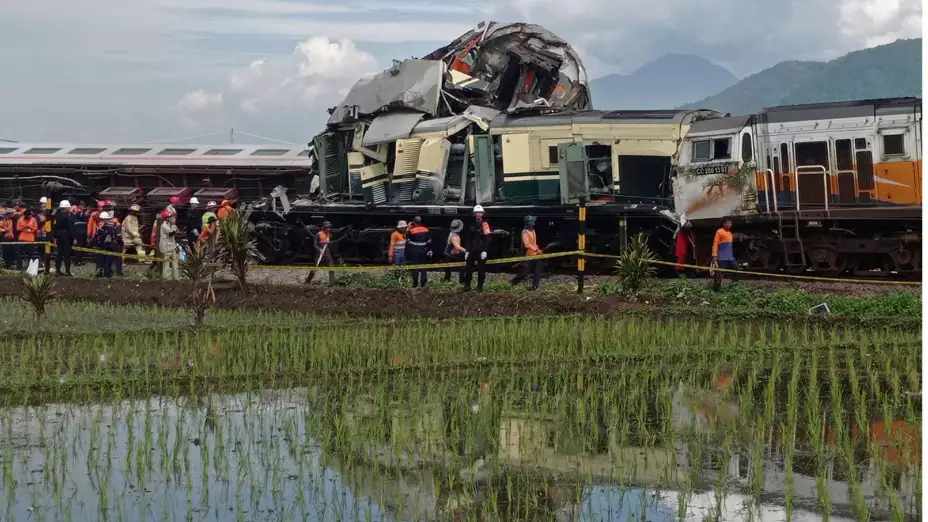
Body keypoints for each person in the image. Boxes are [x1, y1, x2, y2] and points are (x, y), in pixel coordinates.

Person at [461, 205, 491, 292]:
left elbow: (487, 238)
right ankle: (467, 286)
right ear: (474, 214)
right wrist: (467, 250)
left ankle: (479, 287)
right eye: (477, 213)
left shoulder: (485, 224)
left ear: (482, 214)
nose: (478, 214)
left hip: (481, 250)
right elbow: (469, 238)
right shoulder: (472, 225)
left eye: (480, 213)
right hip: (472, 249)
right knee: (468, 268)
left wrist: (485, 250)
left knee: (481, 269)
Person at [510, 215, 543, 290]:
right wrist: (536, 250)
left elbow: (534, 243)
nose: (534, 223)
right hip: (529, 255)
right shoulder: (525, 232)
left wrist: (538, 249)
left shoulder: (533, 231)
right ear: (529, 223)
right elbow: (527, 244)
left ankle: (535, 287)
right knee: (524, 272)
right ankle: (512, 283)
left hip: (535, 255)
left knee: (538, 270)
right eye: (533, 221)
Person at [712, 216, 740, 291]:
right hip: (722, 258)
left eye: (731, 223)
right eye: (728, 223)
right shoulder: (719, 231)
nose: (730, 224)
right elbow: (715, 243)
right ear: (724, 224)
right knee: (719, 275)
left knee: (737, 270)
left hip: (730, 257)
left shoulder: (729, 232)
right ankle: (716, 290)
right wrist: (714, 255)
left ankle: (734, 286)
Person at [93, 211, 123, 278]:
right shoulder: (115, 224)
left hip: (101, 246)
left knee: (100, 261)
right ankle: (110, 274)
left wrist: (95, 244)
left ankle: (98, 274)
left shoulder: (100, 225)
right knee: (110, 261)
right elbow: (118, 236)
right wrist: (121, 244)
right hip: (111, 246)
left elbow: (96, 235)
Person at [406, 216, 432, 288]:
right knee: (423, 267)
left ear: (414, 222)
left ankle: (415, 283)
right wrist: (430, 250)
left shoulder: (411, 231)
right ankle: (423, 283)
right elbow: (429, 241)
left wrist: (408, 228)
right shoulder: (426, 230)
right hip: (424, 250)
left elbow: (406, 238)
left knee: (415, 267)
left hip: (415, 251)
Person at [52, 200, 76, 276]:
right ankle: (67, 271)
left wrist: (55, 236)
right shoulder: (69, 215)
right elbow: (71, 227)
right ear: (67, 207)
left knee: (59, 254)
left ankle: (57, 271)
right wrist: (74, 238)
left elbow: (54, 227)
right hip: (67, 236)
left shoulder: (56, 215)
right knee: (67, 255)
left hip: (58, 236)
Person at [159, 211, 180, 280]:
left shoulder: (171, 225)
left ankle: (176, 277)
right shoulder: (164, 225)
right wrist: (174, 227)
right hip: (166, 247)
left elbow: (178, 231)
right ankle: (167, 278)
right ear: (167, 218)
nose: (173, 218)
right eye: (171, 217)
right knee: (166, 263)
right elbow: (171, 234)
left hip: (172, 245)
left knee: (175, 261)